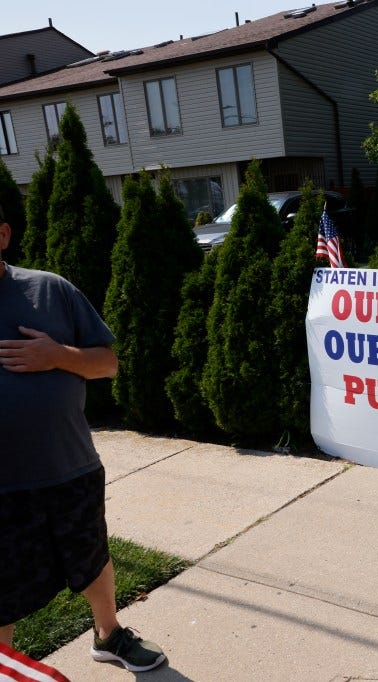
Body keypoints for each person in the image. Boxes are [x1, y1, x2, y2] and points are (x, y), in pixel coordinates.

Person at [0, 203, 166, 672]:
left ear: (4, 234)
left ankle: (108, 635)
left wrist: (56, 355)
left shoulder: (49, 291)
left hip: (67, 465)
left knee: (92, 559)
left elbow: (107, 363)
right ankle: (6, 666)